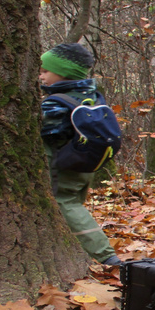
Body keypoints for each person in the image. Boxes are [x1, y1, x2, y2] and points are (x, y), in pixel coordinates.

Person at [39, 43, 121, 266]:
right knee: (74, 202)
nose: (41, 76)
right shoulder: (90, 94)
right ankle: (77, 248)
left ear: (63, 73)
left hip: (62, 163)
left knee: (66, 203)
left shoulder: (56, 103)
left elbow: (47, 131)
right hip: (83, 161)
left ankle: (106, 256)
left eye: (45, 71)